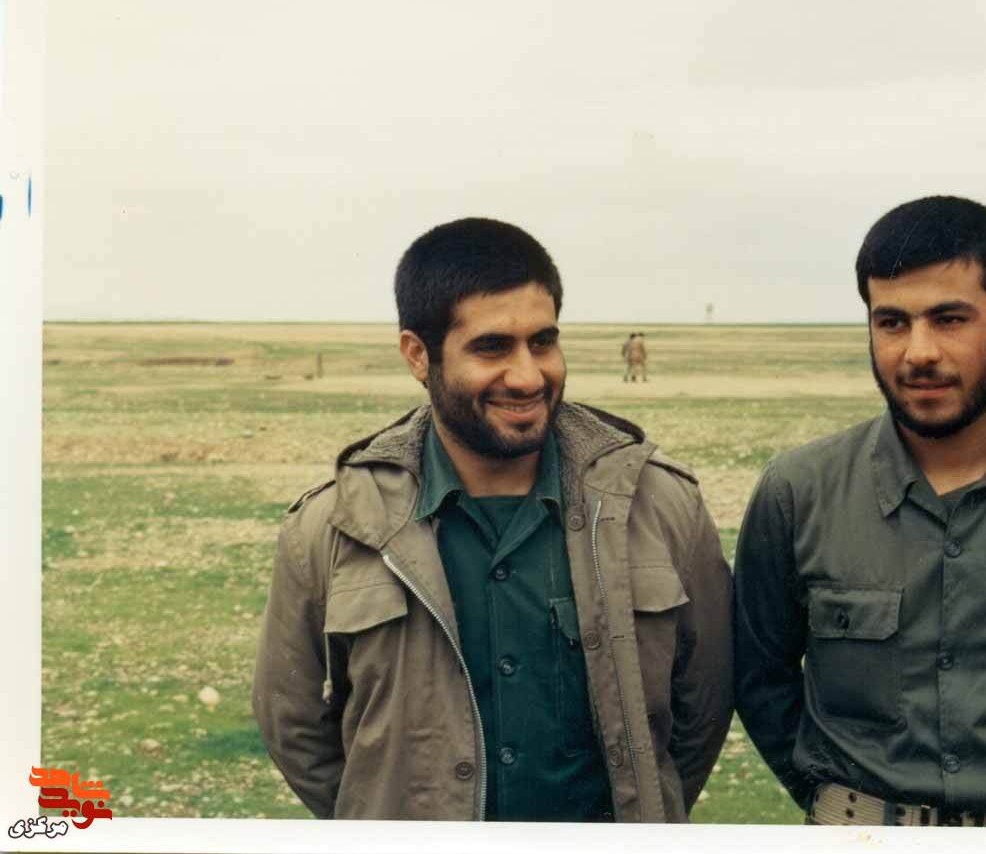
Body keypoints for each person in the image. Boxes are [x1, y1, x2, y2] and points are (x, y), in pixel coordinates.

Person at [253, 217, 733, 822]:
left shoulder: (659, 506)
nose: (528, 375)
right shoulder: (334, 525)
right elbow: (292, 719)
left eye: (543, 342)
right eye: (492, 347)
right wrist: (386, 820)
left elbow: (704, 703)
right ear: (417, 355)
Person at [734, 195, 986, 828]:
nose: (919, 352)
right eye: (892, 322)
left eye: (949, 319)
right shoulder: (796, 492)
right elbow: (759, 677)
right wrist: (847, 807)